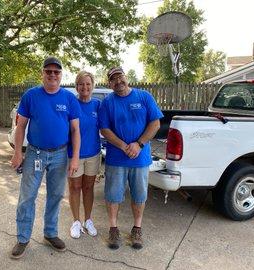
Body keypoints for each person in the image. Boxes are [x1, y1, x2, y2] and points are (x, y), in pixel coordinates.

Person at [10, 57, 81, 259]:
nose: (52, 75)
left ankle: (50, 233)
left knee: (56, 195)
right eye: (48, 71)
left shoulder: (68, 99)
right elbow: (21, 126)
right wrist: (17, 152)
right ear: (42, 73)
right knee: (27, 197)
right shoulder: (31, 96)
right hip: (35, 153)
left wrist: (74, 158)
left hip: (60, 154)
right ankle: (23, 238)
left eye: (56, 72)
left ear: (61, 75)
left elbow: (75, 130)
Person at [98, 67, 163, 250]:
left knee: (139, 195)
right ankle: (113, 229)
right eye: (113, 79)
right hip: (116, 158)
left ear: (127, 78)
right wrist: (123, 146)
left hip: (140, 158)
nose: (118, 81)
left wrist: (139, 144)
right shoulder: (107, 103)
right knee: (113, 196)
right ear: (109, 84)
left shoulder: (144, 97)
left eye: (120, 77)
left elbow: (155, 123)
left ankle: (137, 229)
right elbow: (104, 129)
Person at [67, 71, 101, 239]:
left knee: (88, 188)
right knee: (75, 188)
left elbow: (107, 127)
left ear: (92, 85)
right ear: (77, 86)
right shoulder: (72, 103)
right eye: (81, 84)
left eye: (88, 84)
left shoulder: (97, 105)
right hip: (74, 155)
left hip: (93, 154)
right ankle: (76, 222)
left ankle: (88, 220)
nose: (85, 87)